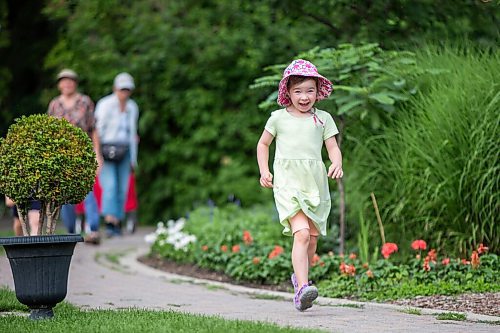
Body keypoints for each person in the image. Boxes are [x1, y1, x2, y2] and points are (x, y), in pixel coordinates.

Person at [256, 59, 343, 311]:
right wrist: (265, 170)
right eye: (298, 91)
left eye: (309, 91)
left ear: (318, 92)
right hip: (288, 184)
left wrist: (336, 163)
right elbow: (263, 145)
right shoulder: (277, 118)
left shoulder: (324, 119)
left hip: (314, 184)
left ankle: (299, 279)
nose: (304, 97)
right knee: (302, 234)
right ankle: (303, 289)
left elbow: (333, 147)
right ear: (288, 92)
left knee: (312, 239)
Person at [47, 68, 102, 244]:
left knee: (88, 191)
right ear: (59, 85)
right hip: (61, 155)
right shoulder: (55, 104)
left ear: (75, 83)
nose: (67, 83)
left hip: (83, 153)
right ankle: (70, 231)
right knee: (65, 194)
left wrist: (97, 154)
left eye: (70, 80)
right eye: (64, 80)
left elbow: (93, 129)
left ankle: (93, 230)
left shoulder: (85, 101)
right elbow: (49, 132)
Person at [95, 72, 139, 237]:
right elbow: (97, 131)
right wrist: (97, 155)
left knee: (123, 187)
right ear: (115, 88)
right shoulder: (105, 104)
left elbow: (133, 133)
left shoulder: (132, 107)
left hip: (125, 150)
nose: (124, 93)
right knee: (110, 186)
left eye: (127, 89)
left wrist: (133, 158)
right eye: (122, 89)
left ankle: (118, 220)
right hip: (107, 149)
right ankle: (109, 221)